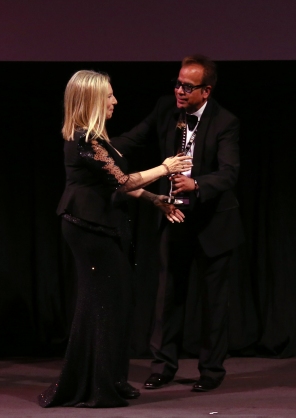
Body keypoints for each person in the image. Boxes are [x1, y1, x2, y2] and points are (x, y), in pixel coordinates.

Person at [38, 70, 192, 408]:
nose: (115, 101)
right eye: (108, 95)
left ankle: (109, 380)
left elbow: (119, 185)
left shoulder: (96, 138)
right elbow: (123, 181)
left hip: (99, 226)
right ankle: (97, 387)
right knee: (103, 305)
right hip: (88, 229)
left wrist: (156, 201)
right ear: (92, 99)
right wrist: (165, 167)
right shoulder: (84, 139)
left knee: (113, 303)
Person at [112, 55, 244, 392]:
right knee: (168, 295)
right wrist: (99, 148)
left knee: (213, 302)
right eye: (178, 83)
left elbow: (229, 173)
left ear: (206, 91)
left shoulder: (225, 122)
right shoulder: (164, 109)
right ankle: (163, 366)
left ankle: (211, 372)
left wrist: (196, 184)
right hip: (174, 216)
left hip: (213, 223)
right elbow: (133, 137)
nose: (180, 91)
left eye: (188, 86)